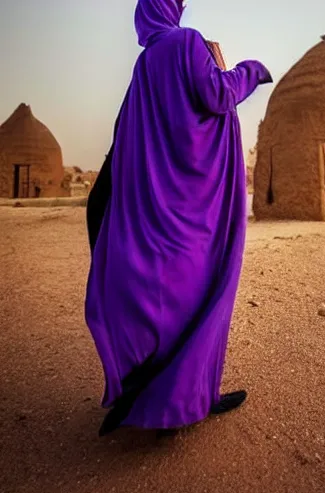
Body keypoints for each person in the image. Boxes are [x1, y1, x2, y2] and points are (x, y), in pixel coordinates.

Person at [85, 0, 272, 436]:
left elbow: (128, 135)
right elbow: (217, 96)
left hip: (154, 210)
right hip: (191, 212)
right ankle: (190, 397)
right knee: (202, 294)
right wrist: (252, 69)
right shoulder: (186, 42)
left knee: (162, 304)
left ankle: (153, 393)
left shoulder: (143, 64)